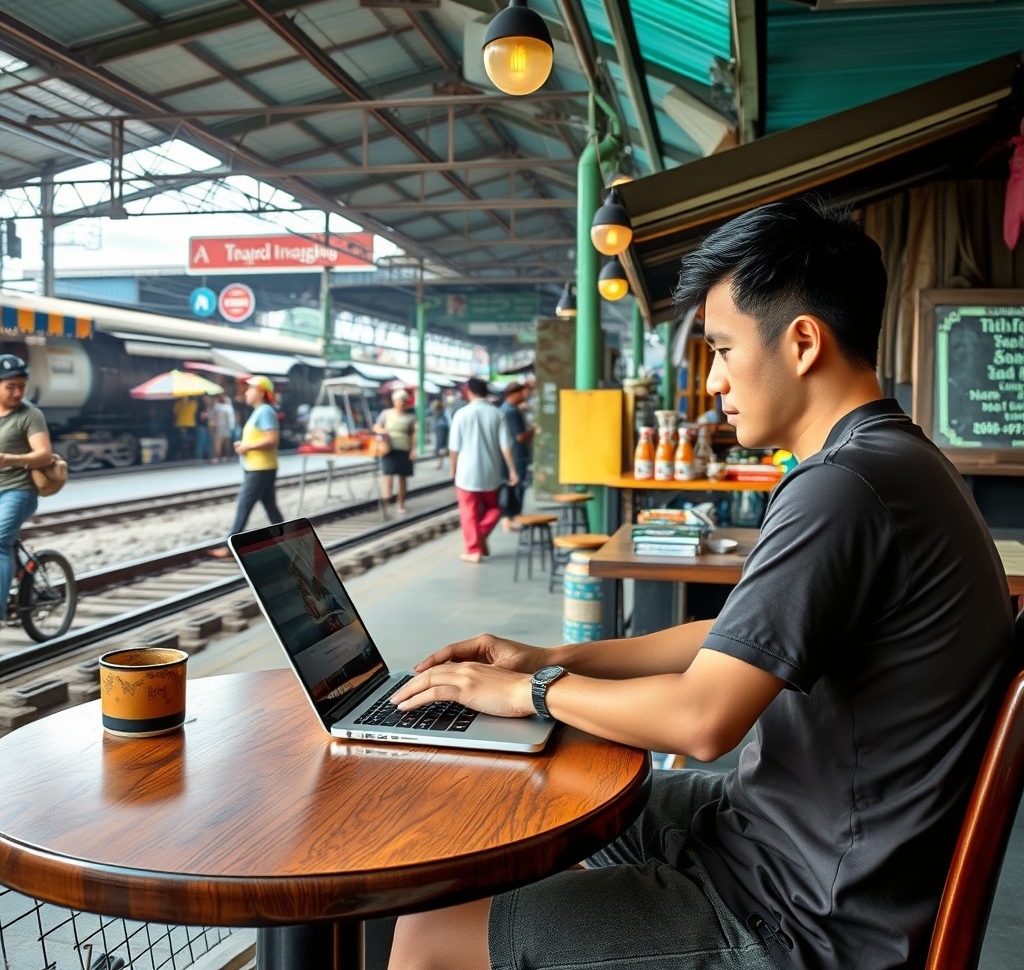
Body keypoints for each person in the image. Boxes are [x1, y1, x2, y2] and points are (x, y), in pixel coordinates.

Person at [385, 197, 1014, 970]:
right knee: (556, 781)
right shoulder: (888, 460)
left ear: (803, 342)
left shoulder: (843, 487)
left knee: (423, 933)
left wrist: (532, 691)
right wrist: (548, 655)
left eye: (722, 348)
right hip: (781, 839)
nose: (715, 381)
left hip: (802, 918)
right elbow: (729, 644)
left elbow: (702, 720)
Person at [208, 376, 284, 559]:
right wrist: (245, 444)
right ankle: (288, 537)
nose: (246, 392)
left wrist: (247, 447)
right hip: (258, 467)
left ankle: (230, 547)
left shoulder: (265, 411)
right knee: (270, 507)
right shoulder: (260, 411)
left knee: (244, 504)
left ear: (260, 392)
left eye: (250, 389)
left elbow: (271, 439)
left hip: (261, 468)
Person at [0, 354, 54, 599]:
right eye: (10, 387)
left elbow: (44, 456)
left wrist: (11, 459)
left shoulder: (30, 415)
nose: (17, 393)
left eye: (22, 386)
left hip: (18, 490)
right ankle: (18, 583)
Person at [447, 377, 516, 564]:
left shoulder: (461, 414)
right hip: (491, 472)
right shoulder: (497, 414)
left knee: (468, 511)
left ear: (469, 392)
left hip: (466, 473)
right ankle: (481, 535)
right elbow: (506, 446)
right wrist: (512, 471)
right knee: (494, 508)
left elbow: (454, 447)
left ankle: (473, 549)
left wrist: (453, 469)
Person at [498, 381, 536, 531]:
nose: (524, 396)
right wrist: (534, 430)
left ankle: (510, 518)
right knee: (518, 486)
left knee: (512, 487)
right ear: (513, 394)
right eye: (521, 393)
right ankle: (513, 517)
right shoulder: (512, 411)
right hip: (517, 454)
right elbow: (520, 437)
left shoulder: (504, 409)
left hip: (511, 454)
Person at [372, 389, 417, 515]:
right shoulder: (386, 413)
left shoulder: (411, 417)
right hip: (388, 448)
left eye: (403, 401)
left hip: (404, 448)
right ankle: (386, 503)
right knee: (388, 477)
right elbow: (376, 426)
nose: (401, 403)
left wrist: (413, 450)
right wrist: (382, 431)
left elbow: (414, 434)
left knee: (402, 478)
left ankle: (400, 503)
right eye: (398, 401)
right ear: (394, 402)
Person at [209, 393, 236, 463]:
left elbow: (231, 418)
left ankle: (225, 456)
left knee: (225, 443)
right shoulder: (217, 407)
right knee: (219, 443)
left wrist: (231, 426)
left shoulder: (227, 407)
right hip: (219, 427)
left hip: (224, 427)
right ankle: (219, 456)